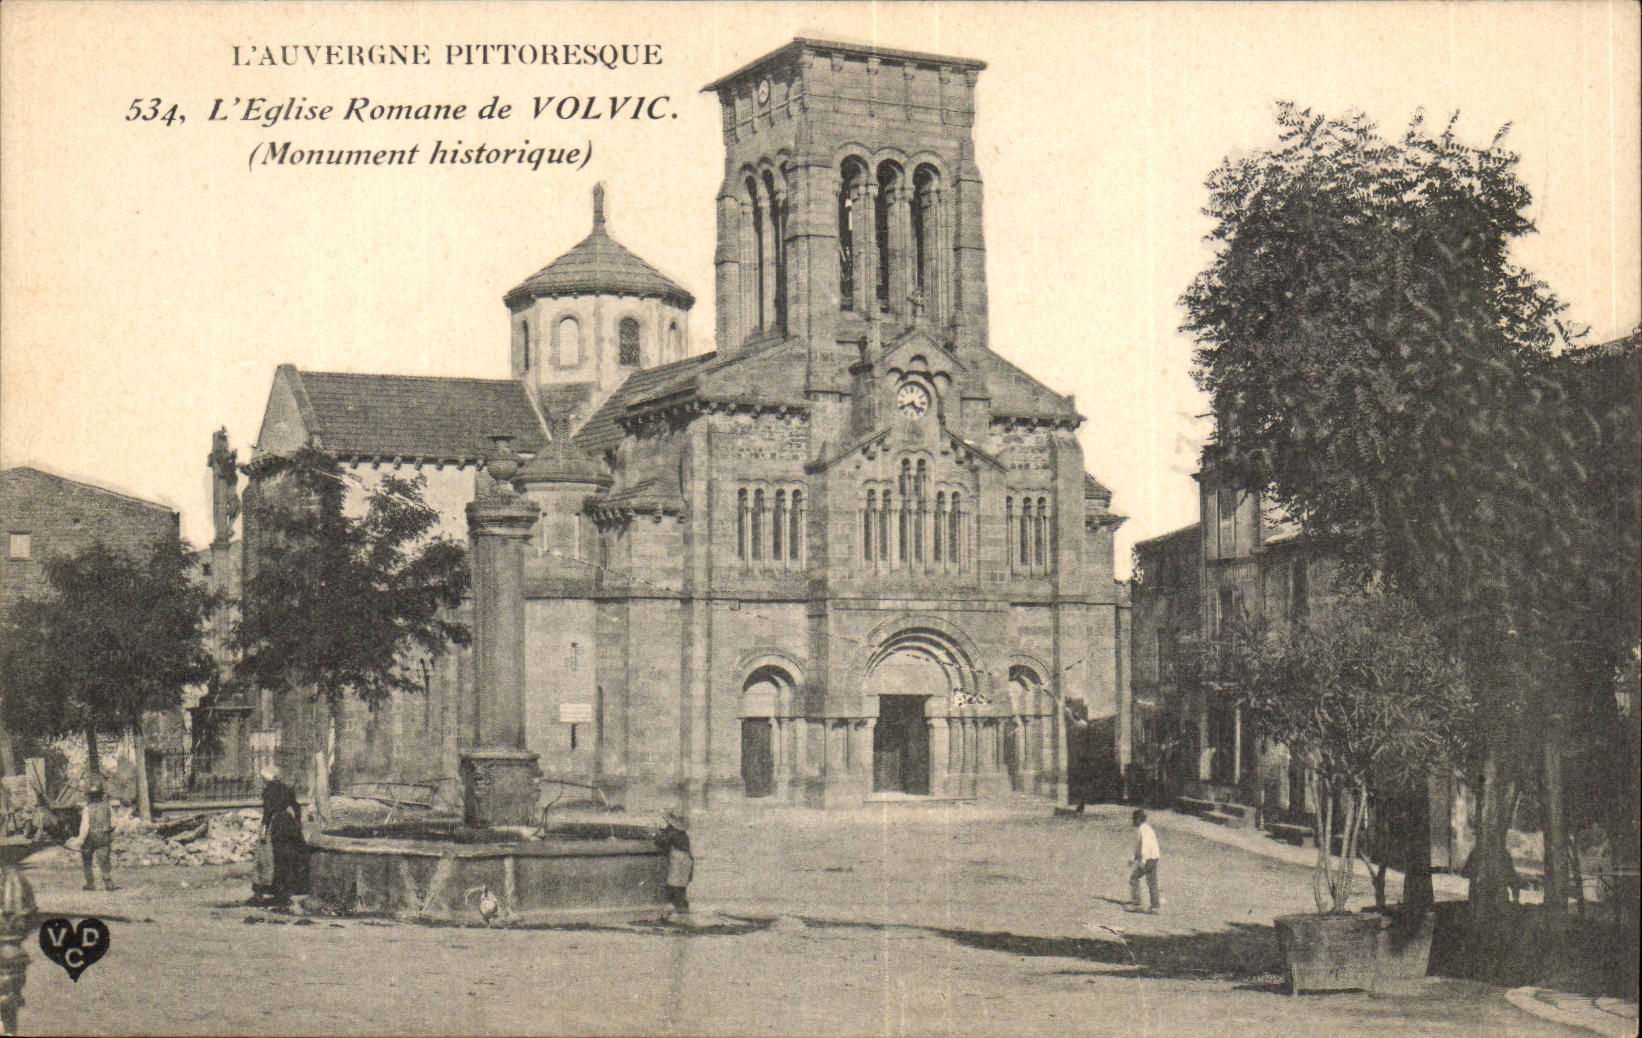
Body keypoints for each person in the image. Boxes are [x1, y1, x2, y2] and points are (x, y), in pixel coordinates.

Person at [257, 766, 308, 907]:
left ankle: (280, 890)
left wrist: (263, 831)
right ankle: (293, 887)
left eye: (263, 779)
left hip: (278, 824)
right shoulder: (287, 789)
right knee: (292, 855)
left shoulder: (268, 791)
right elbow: (297, 807)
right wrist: (297, 821)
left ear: (268, 779)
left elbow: (267, 813)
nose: (262, 782)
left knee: (279, 858)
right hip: (289, 824)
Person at [73, 778, 117, 891]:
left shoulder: (87, 808)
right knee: (104, 860)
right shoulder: (108, 806)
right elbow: (113, 823)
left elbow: (85, 826)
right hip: (105, 837)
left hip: (91, 838)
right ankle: (108, 882)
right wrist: (109, 831)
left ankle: (90, 883)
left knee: (87, 859)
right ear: (101, 794)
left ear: (89, 796)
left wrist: (80, 840)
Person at [656, 809, 693, 917]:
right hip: (686, 860)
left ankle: (672, 909)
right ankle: (682, 908)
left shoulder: (671, 832)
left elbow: (662, 843)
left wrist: (655, 836)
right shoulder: (683, 834)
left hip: (676, 861)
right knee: (681, 885)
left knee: (672, 885)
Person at [1128, 809, 1161, 914]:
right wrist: (1133, 858)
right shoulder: (1147, 828)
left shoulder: (1142, 829)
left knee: (1134, 878)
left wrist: (1143, 860)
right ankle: (1155, 906)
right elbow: (1141, 846)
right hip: (1154, 857)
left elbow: (1145, 846)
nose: (1132, 821)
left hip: (1148, 859)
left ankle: (1137, 903)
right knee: (1152, 881)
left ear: (1138, 819)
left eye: (1134, 819)